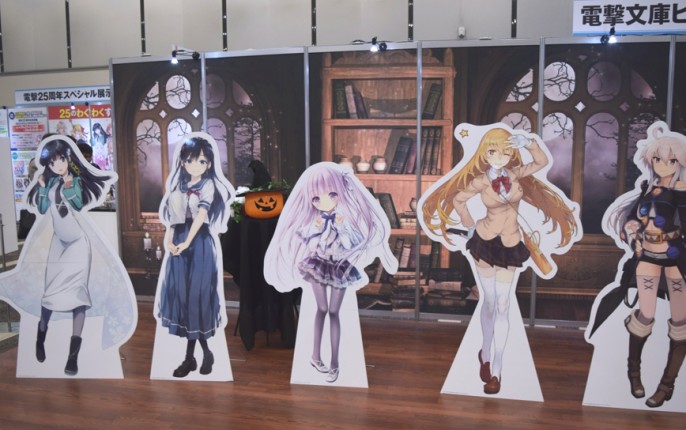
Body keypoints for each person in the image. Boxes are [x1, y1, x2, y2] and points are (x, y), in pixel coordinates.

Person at [420, 126, 578, 394]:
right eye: (493, 152)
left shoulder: (515, 174)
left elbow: (541, 162)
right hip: (485, 241)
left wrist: (529, 142)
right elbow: (459, 200)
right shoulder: (481, 180)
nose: (499, 157)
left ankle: (497, 370)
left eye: (505, 152)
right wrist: (469, 225)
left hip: (510, 243)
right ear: (485, 154)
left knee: (504, 304)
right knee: (491, 301)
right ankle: (484, 351)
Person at [264, 162, 398, 383]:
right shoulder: (314, 221)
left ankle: (335, 362)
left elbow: (351, 242)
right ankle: (315, 356)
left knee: (334, 312)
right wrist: (317, 228)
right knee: (322, 309)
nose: (323, 202)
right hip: (318, 264)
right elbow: (306, 240)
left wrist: (341, 226)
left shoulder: (344, 220)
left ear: (339, 195)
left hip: (339, 267)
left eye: (331, 195)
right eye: (316, 198)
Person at [600, 122, 686, 408]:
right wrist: (632, 227)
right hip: (647, 254)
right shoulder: (649, 188)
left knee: (680, 323)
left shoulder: (682, 191)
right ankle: (634, 374)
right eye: (658, 159)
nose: (663, 165)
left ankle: (666, 385)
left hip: (675, 257)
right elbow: (633, 218)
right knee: (645, 315)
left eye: (671, 160)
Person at [25, 136, 116, 375]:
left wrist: (68, 185)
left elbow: (76, 205)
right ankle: (40, 337)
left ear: (68, 159)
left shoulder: (74, 180)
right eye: (53, 162)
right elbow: (42, 208)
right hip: (58, 242)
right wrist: (42, 187)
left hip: (77, 243)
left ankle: (72, 356)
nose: (58, 165)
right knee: (50, 294)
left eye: (62, 160)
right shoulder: (50, 181)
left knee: (78, 295)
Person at [156, 136, 234, 378]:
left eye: (201, 161)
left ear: (209, 163)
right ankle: (202, 354)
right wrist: (169, 241)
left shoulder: (208, 185)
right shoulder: (178, 187)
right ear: (182, 162)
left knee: (196, 299)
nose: (195, 165)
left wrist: (187, 242)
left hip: (199, 244)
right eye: (190, 160)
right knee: (183, 297)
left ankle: (191, 358)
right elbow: (173, 219)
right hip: (180, 243)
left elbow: (201, 216)